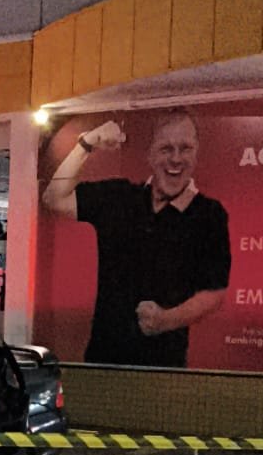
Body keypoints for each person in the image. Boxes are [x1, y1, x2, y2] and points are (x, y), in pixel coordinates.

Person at [42, 109, 231, 367]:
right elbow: (54, 197)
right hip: (102, 360)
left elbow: (214, 292)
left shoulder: (209, 214)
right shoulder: (119, 197)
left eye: (185, 148)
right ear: (150, 154)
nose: (176, 158)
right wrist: (87, 143)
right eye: (166, 149)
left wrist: (166, 320)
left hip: (164, 368)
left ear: (196, 151)